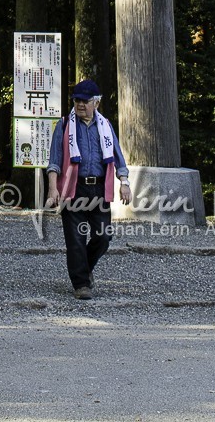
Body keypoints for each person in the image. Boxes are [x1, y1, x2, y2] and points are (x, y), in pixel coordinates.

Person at [45, 79, 132, 299]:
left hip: (99, 189)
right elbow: (54, 160)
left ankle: (85, 268)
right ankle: (81, 284)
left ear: (96, 103)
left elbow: (118, 157)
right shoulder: (64, 125)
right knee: (75, 239)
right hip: (73, 188)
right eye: (77, 100)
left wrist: (124, 183)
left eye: (85, 101)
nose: (80, 104)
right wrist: (53, 189)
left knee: (103, 237)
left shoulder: (105, 125)